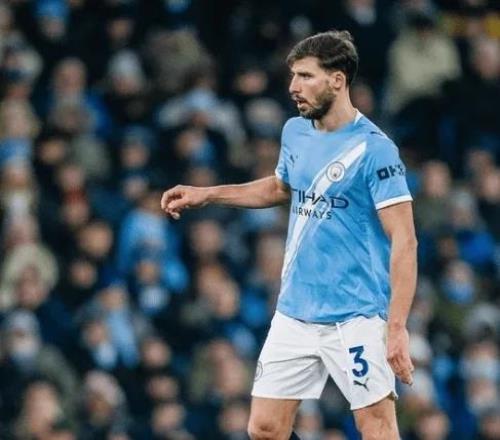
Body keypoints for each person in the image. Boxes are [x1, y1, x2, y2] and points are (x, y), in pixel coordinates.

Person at [161, 30, 417, 440]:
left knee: (376, 427)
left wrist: (397, 327)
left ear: (337, 80)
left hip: (355, 315)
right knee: (264, 428)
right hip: (296, 309)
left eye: (305, 76)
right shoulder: (295, 131)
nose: (293, 87)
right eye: (293, 76)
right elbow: (281, 187)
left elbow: (405, 239)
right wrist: (207, 194)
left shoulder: (375, 150)